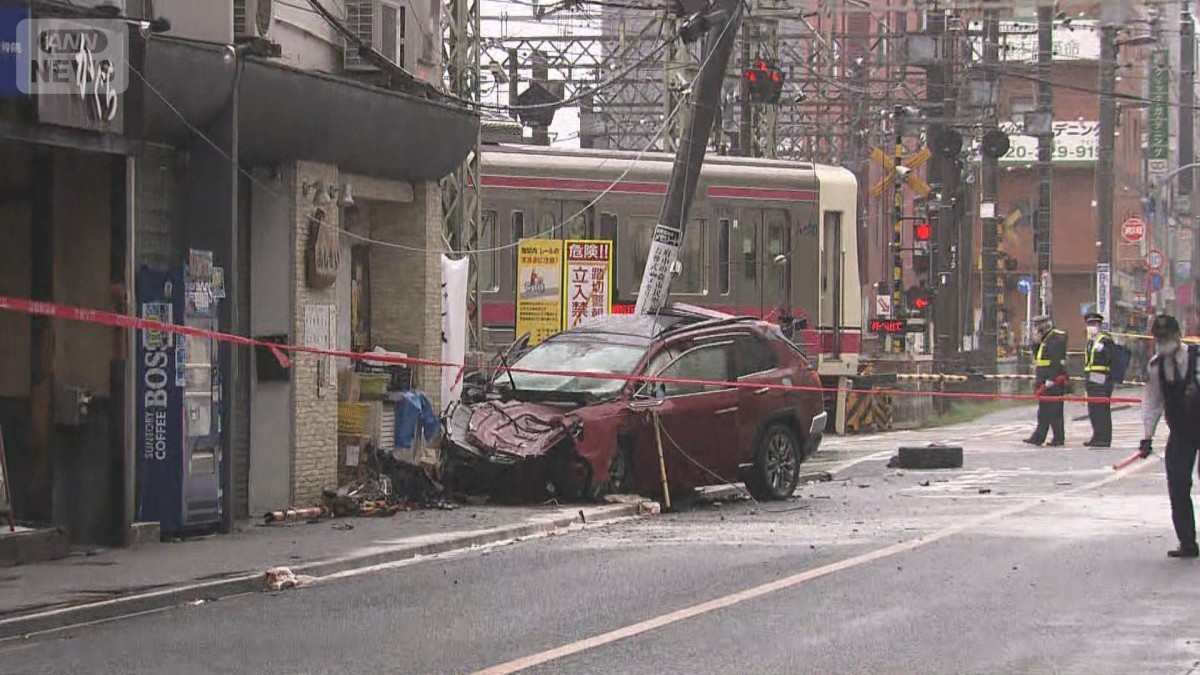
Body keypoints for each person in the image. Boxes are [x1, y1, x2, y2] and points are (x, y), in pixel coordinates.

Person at [1139, 314, 1200, 558]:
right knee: (1177, 483)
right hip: (1181, 432)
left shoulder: (1197, 358)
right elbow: (1152, 402)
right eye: (1159, 339)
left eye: (1167, 338)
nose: (1163, 343)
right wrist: (1147, 437)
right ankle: (1187, 541)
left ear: (1178, 336)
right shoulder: (1156, 367)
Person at [1024, 314, 1068, 447]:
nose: (1037, 330)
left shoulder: (1055, 338)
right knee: (1043, 410)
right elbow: (1038, 357)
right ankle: (1038, 437)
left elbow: (1056, 360)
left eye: (1039, 327)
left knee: (1055, 410)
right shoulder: (1044, 340)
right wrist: (1036, 343)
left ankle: (1058, 438)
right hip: (1042, 379)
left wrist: (1051, 379)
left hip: (1053, 381)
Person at [1083, 312, 1114, 447]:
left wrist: (1103, 350)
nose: (1090, 327)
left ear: (1099, 325)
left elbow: (1111, 358)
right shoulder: (1091, 342)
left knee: (1102, 410)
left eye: (1093, 324)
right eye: (1089, 324)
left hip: (1102, 378)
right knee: (1093, 410)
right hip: (1091, 378)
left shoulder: (1105, 340)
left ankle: (1104, 438)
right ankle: (1096, 436)